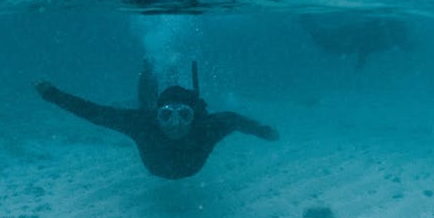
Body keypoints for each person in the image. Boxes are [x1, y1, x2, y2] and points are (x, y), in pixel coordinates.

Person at [34, 60, 279, 180]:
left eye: (184, 115)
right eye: (166, 115)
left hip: (165, 163)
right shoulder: (144, 123)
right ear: (158, 115)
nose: (175, 123)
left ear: (194, 116)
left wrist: (261, 130)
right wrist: (51, 94)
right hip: (161, 149)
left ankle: (153, 69)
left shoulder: (208, 126)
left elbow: (235, 119)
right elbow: (93, 112)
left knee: (145, 109)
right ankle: (149, 66)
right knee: (144, 107)